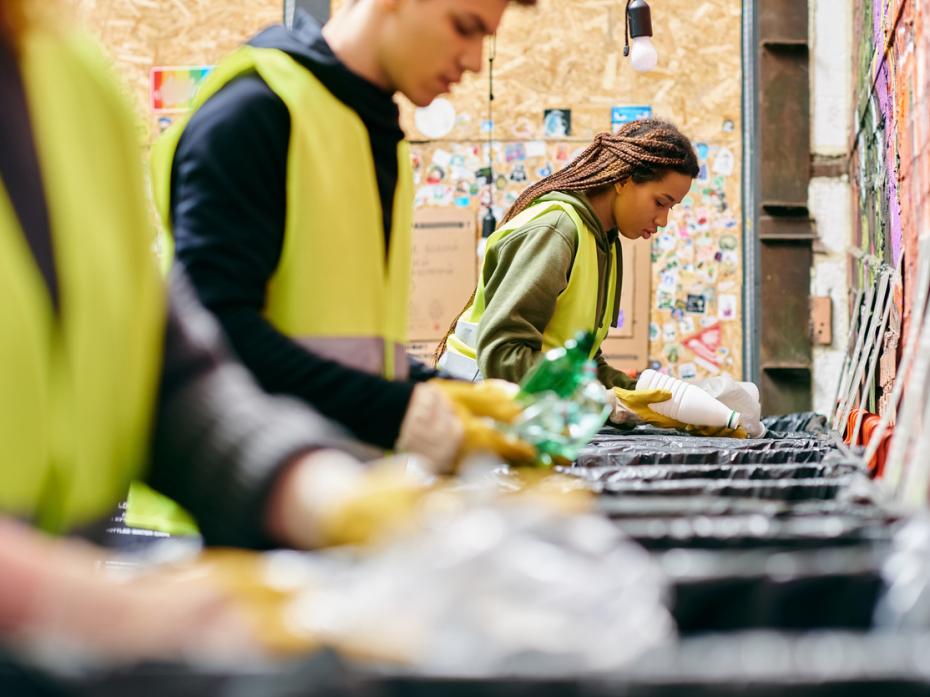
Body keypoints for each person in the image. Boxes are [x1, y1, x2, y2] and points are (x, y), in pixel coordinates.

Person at [0, 0, 427, 659]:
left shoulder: (72, 81)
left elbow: (168, 370)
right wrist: (78, 603)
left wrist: (314, 486)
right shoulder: (256, 110)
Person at [151, 0, 537, 474]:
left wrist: (440, 390)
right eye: (464, 28)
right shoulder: (256, 111)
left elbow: (353, 348)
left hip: (338, 492)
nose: (476, 61)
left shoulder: (375, 137)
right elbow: (212, 339)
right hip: (228, 505)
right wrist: (397, 410)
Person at [436, 120, 698, 389]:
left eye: (672, 208)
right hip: (473, 400)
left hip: (520, 401)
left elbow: (580, 363)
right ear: (623, 180)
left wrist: (639, 393)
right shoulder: (556, 230)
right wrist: (592, 396)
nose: (664, 220)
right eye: (660, 202)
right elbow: (504, 357)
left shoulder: (602, 240)